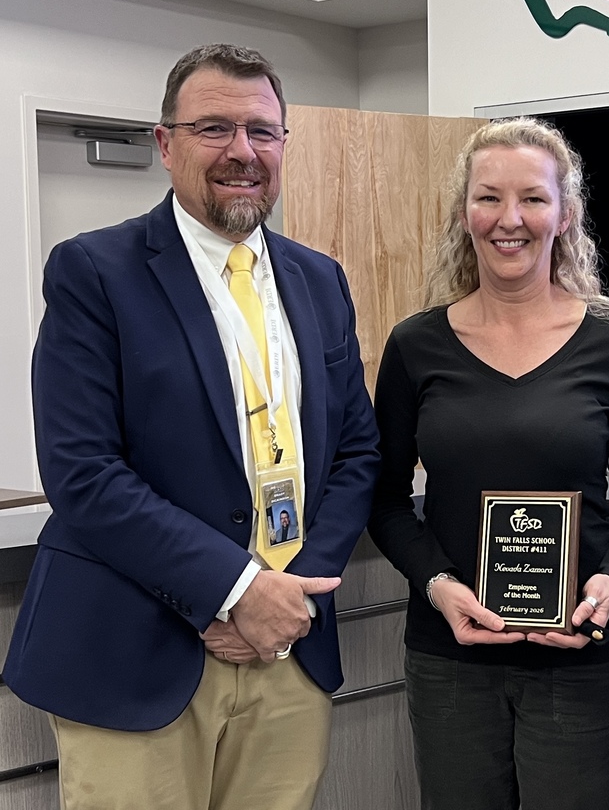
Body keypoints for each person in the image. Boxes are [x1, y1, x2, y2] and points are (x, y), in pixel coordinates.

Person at [4, 44, 380, 810]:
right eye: (214, 128)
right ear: (166, 144)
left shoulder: (319, 279)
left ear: (283, 144)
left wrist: (290, 596)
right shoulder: (95, 272)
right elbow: (83, 473)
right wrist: (236, 590)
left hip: (287, 649)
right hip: (139, 651)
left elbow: (356, 452)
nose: (243, 151)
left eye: (262, 131)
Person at [369, 118, 609, 810]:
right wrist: (437, 585)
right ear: (464, 214)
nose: (509, 219)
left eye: (533, 198)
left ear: (565, 214)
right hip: (452, 660)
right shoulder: (415, 346)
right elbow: (384, 497)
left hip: (580, 658)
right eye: (489, 198)